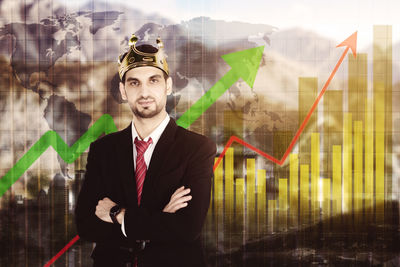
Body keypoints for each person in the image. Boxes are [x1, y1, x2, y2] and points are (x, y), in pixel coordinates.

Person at [75, 34, 216, 267]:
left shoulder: (197, 148)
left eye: (153, 80)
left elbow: (187, 228)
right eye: (134, 82)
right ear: (123, 90)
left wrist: (118, 214)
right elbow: (86, 225)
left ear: (168, 86)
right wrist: (160, 219)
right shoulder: (103, 150)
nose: (144, 92)